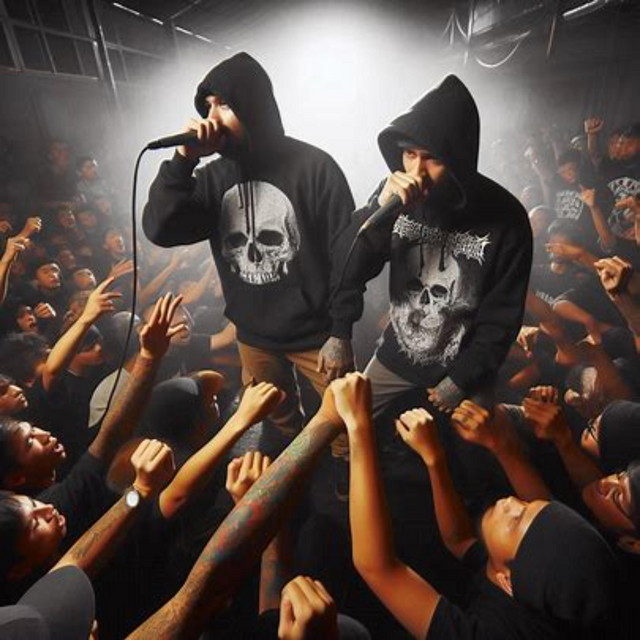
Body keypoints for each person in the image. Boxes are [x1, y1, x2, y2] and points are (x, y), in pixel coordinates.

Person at [143, 52, 361, 476]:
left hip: (317, 333)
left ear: (253, 105)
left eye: (223, 104)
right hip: (255, 336)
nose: (211, 117)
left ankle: (347, 482)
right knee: (277, 422)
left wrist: (341, 331)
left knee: (344, 424)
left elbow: (348, 256)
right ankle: (291, 484)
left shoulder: (315, 167)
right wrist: (183, 161)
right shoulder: (213, 178)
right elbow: (159, 228)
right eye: (207, 106)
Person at [331, 372, 618, 640]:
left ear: (507, 581)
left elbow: (378, 567)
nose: (510, 502)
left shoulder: (490, 633)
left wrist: (358, 425)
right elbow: (460, 541)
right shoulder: (527, 578)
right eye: (526, 504)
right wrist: (434, 459)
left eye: (516, 520)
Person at [344, 75, 532, 416]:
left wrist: (461, 380)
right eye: (409, 154)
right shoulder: (394, 196)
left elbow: (501, 318)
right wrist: (378, 213)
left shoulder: (507, 217)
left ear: (457, 158)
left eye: (432, 158)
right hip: (398, 356)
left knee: (478, 444)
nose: (417, 172)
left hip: (465, 368)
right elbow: (350, 265)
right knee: (346, 426)